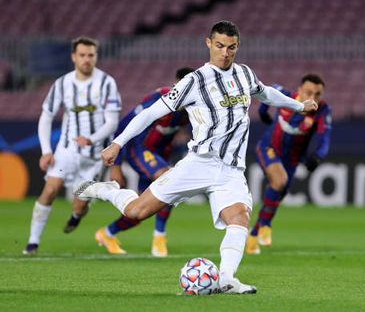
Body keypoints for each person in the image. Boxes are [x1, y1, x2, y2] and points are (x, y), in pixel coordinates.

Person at [73, 20, 318, 294]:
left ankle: (226, 279)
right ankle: (106, 191)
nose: (225, 53)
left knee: (240, 217)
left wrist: (298, 106)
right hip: (198, 163)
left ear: (238, 47)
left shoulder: (245, 75)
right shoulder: (194, 81)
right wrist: (117, 144)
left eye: (231, 47)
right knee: (136, 211)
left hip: (231, 170)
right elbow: (151, 113)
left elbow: (266, 94)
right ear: (209, 44)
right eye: (219, 46)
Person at [23, 36, 122, 255]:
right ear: (74, 57)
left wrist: (92, 139)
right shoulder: (62, 84)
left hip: (94, 155)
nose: (87, 60)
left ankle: (76, 216)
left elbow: (112, 122)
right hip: (66, 151)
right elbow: (46, 117)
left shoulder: (107, 83)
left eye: (91, 55)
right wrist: (46, 151)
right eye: (82, 55)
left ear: (96, 57)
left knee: (79, 204)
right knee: (49, 190)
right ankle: (32, 243)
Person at [95, 67, 194, 257]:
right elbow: (122, 126)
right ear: (175, 86)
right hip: (139, 149)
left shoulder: (192, 108)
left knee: (141, 209)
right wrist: (115, 167)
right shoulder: (158, 99)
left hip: (159, 154)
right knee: (168, 178)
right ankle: (159, 237)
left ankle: (107, 233)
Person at [246, 75, 332, 254]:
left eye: (318, 94)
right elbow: (265, 96)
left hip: (292, 160)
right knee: (279, 181)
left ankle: (253, 235)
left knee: (276, 196)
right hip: (268, 147)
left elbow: (324, 138)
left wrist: (318, 156)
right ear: (299, 90)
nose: (313, 98)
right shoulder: (285, 96)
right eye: (309, 92)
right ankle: (266, 226)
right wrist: (263, 113)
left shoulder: (323, 110)